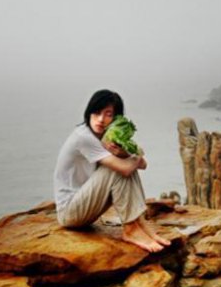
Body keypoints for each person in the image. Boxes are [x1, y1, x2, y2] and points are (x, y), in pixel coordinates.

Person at [53, 89, 170, 252]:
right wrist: (132, 156)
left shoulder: (107, 137)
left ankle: (140, 223)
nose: (101, 119)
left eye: (108, 114)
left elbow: (143, 165)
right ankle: (131, 229)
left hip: (85, 207)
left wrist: (124, 153)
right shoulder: (84, 137)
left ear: (116, 118)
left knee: (124, 164)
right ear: (89, 112)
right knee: (118, 169)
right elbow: (127, 168)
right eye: (96, 112)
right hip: (70, 213)